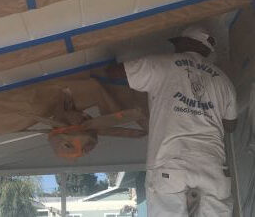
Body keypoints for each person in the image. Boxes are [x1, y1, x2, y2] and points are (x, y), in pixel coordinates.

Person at [100, 26, 237, 216]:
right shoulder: (224, 81)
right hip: (213, 169)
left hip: (172, 163)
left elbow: (113, 72)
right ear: (206, 50)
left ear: (185, 43)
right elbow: (231, 126)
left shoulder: (165, 64)